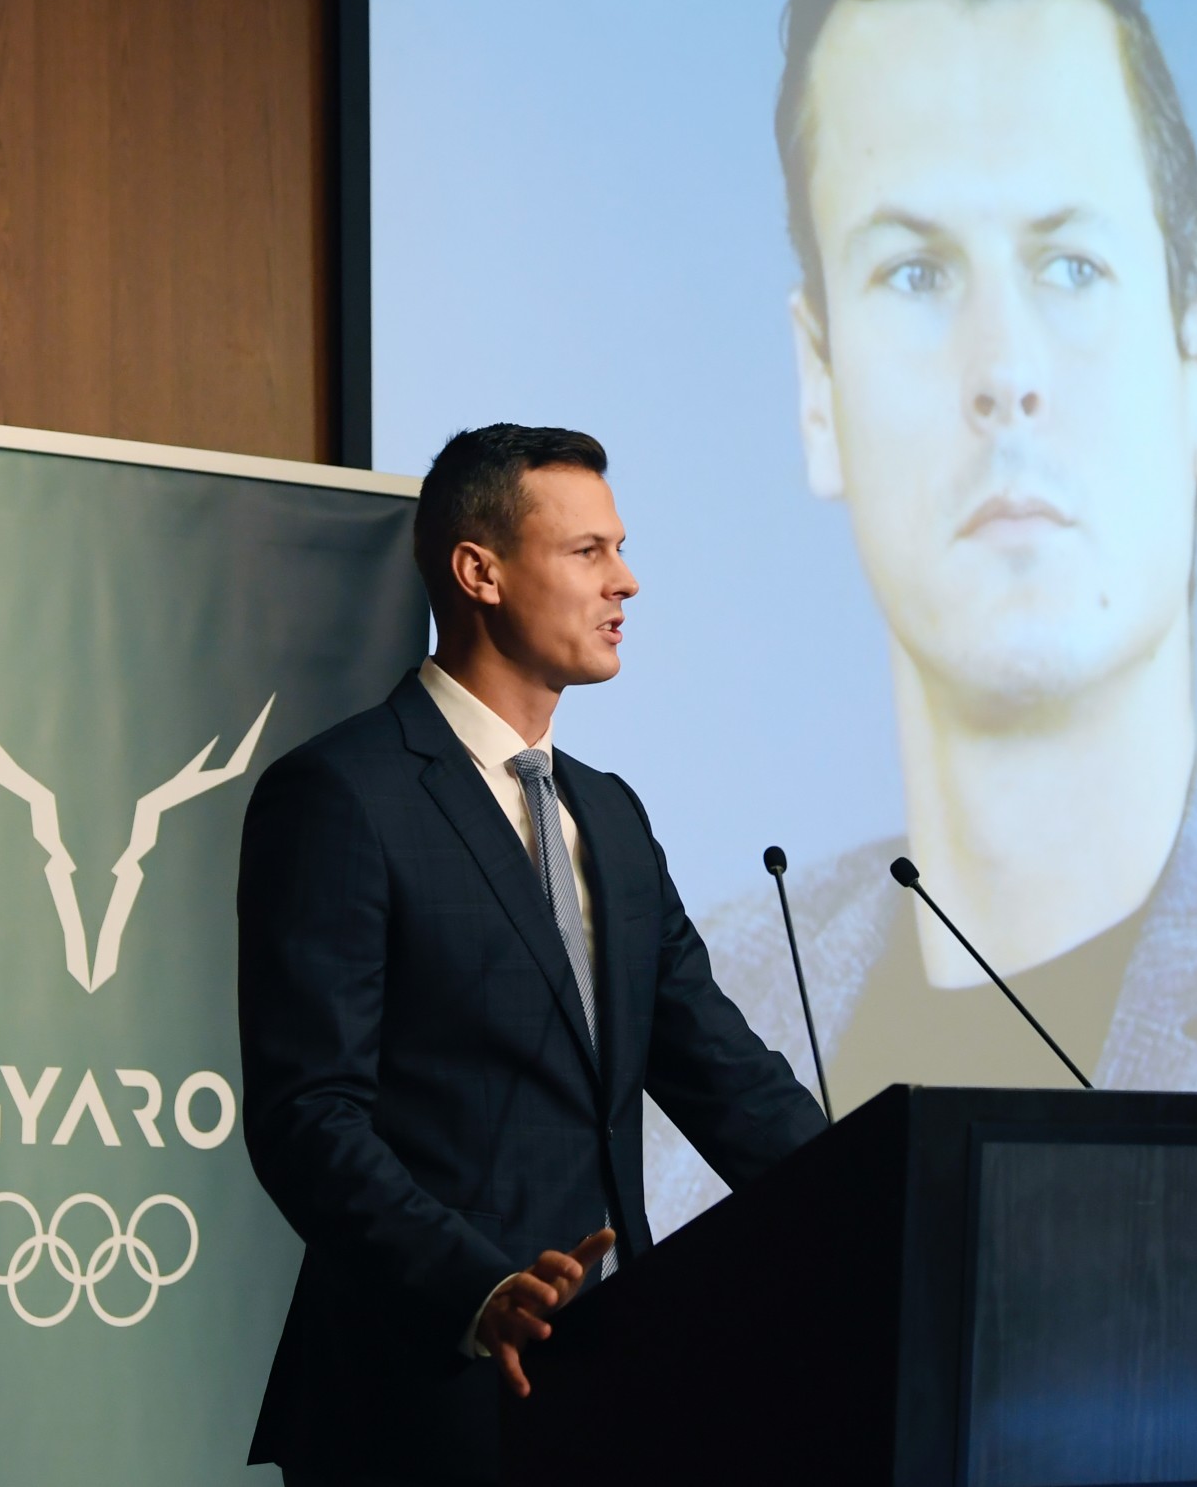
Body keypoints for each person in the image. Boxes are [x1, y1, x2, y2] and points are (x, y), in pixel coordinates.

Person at [645, 0, 1197, 1248]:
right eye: (916, 273)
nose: (1006, 371)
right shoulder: (694, 1016)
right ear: (818, 388)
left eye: (1074, 265)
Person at [238, 426, 827, 1485]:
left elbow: (726, 1077)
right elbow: (308, 1117)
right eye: (588, 551)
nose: (626, 581)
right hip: (417, 1396)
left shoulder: (610, 815)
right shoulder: (342, 794)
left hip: (613, 1385)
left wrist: (886, 1205)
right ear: (480, 572)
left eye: (620, 548)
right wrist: (476, 1287)